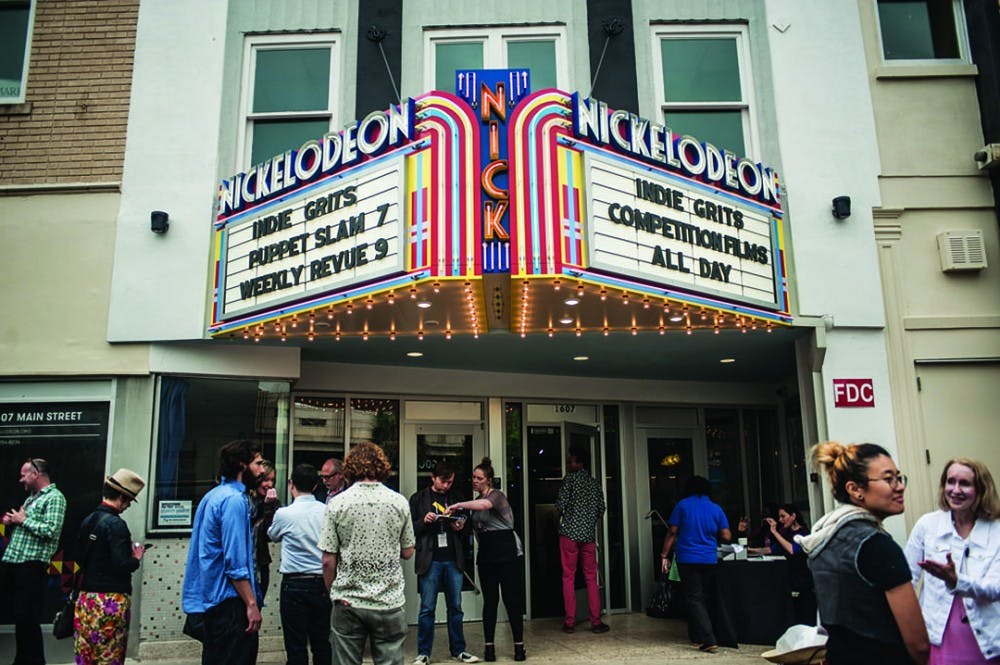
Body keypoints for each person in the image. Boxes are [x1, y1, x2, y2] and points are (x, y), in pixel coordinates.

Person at [797, 441, 929, 665]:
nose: (899, 486)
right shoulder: (878, 546)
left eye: (899, 477)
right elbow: (919, 644)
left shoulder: (823, 541)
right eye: (888, 479)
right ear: (855, 489)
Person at [320, 442, 415, 665]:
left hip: (348, 600)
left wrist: (333, 591)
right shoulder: (399, 502)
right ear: (381, 467)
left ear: (349, 468)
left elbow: (327, 560)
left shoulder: (337, 503)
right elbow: (408, 551)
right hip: (388, 601)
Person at [904, 458, 1000, 664]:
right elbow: (906, 579)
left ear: (981, 490)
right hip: (939, 636)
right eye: (950, 481)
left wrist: (957, 581)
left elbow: (996, 587)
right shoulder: (927, 525)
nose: (955, 490)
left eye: (965, 483)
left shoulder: (996, 531)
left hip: (988, 641)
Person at [182, 439, 267, 665]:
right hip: (230, 603)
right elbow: (235, 562)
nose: (262, 470)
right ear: (241, 465)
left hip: (213, 601)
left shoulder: (213, 495)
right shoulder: (234, 501)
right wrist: (251, 604)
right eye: (258, 464)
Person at [446, 457, 527, 662]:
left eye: (479, 478)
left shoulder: (496, 496)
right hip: (488, 554)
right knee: (490, 601)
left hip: (508, 552)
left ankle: (519, 646)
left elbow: (484, 505)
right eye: (473, 477)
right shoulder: (474, 507)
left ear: (488, 480)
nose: (475, 481)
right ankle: (489, 647)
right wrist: (460, 526)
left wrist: (458, 505)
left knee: (511, 600)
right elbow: (476, 528)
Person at [409, 461, 481, 665]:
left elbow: (467, 524)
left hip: (452, 557)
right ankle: (424, 653)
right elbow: (410, 528)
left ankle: (459, 649)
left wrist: (460, 525)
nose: (447, 485)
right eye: (444, 481)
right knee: (427, 608)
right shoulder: (419, 498)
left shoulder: (456, 497)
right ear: (433, 478)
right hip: (429, 559)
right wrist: (425, 521)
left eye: (450, 482)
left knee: (455, 607)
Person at [73, 469, 147, 665]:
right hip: (110, 601)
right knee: (109, 654)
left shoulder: (89, 520)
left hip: (85, 599)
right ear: (122, 497)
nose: (129, 505)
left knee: (87, 654)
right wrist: (136, 557)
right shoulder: (116, 525)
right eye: (129, 500)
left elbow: (79, 556)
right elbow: (122, 564)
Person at [0, 457, 67, 665]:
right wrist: (13, 522)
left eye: (23, 475)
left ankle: (34, 661)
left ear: (35, 474)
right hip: (17, 563)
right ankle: (22, 659)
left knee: (28, 617)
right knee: (20, 617)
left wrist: (23, 520)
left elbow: (50, 529)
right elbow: (28, 527)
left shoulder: (54, 497)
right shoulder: (31, 498)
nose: (21, 480)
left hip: (32, 565)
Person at [659, 475, 731, 654]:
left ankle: (708, 639)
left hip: (688, 558)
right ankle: (699, 636)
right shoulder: (716, 508)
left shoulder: (682, 505)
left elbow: (672, 531)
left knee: (694, 598)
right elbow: (727, 536)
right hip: (709, 558)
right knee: (703, 597)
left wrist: (664, 555)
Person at [268, 463, 331, 665]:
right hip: (321, 582)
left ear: (290, 484)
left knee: (295, 646)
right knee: (322, 643)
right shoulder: (327, 511)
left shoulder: (284, 514)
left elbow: (272, 535)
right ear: (315, 486)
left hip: (294, 584)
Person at [555, 445, 609, 634]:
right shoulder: (594, 483)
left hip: (569, 535)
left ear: (580, 462)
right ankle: (596, 621)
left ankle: (570, 621)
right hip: (588, 536)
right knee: (590, 578)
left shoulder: (569, 480)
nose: (569, 463)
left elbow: (560, 505)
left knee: (568, 577)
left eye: (572, 460)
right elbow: (601, 509)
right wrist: (587, 521)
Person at [250, 460, 280, 600]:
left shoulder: (273, 503)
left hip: (261, 563)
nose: (269, 484)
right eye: (266, 480)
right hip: (246, 563)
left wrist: (269, 507)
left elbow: (270, 534)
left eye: (272, 480)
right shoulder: (244, 500)